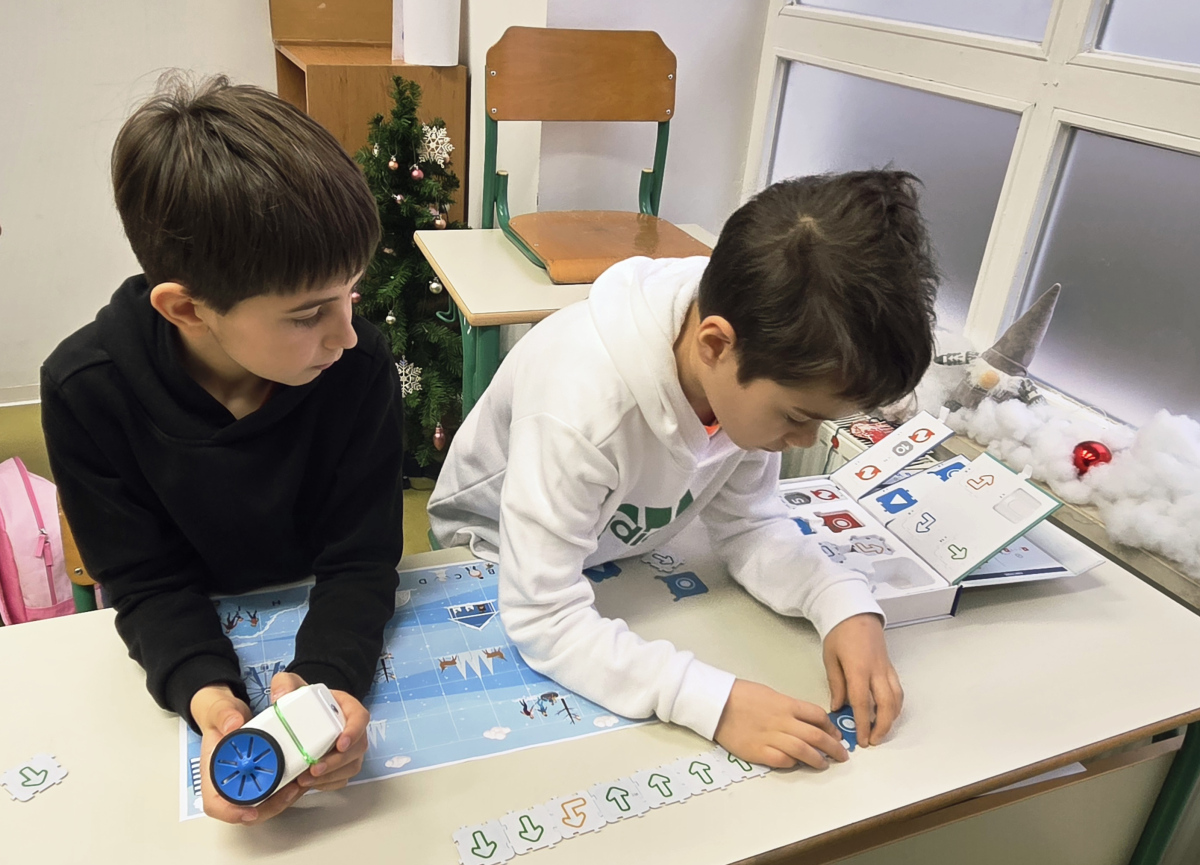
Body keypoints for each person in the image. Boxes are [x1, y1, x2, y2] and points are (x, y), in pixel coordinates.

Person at [428, 171, 937, 769]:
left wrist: (841, 602)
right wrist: (714, 703)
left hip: (620, 553)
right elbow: (543, 617)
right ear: (715, 345)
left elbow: (749, 524)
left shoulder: (755, 353)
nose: (802, 441)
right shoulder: (582, 405)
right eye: (798, 416)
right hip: (485, 556)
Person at [41, 74, 404, 823]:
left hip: (316, 608)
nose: (346, 334)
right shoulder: (87, 389)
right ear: (186, 308)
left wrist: (328, 680)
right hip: (193, 626)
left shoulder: (357, 365)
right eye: (308, 314)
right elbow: (144, 582)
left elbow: (361, 556)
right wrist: (212, 700)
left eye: (352, 294)